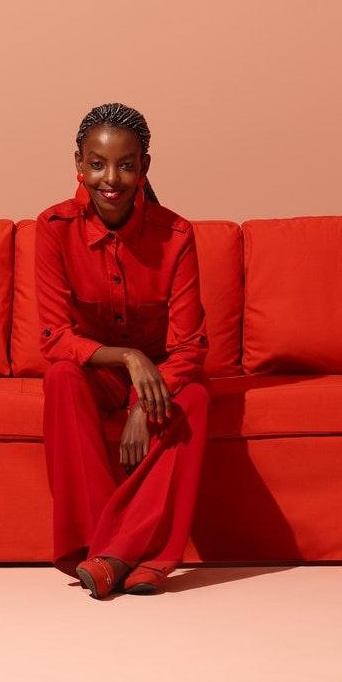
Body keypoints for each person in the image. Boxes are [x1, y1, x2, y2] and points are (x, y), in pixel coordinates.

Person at [35, 102, 212, 598]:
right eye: (97, 164)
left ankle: (115, 558)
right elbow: (54, 339)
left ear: (144, 168)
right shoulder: (53, 229)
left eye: (125, 164)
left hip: (158, 377)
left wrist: (143, 402)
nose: (110, 178)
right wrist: (130, 360)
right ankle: (121, 554)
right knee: (62, 378)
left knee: (194, 397)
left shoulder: (176, 236)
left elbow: (190, 347)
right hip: (99, 371)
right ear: (78, 164)